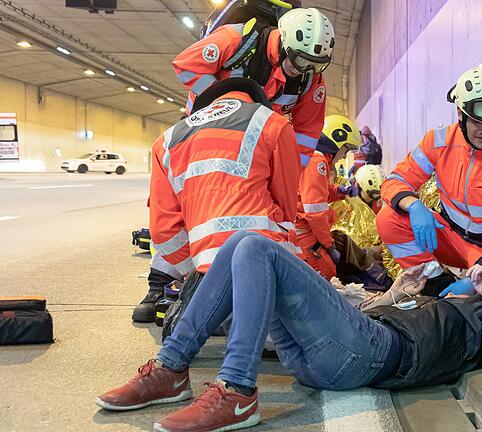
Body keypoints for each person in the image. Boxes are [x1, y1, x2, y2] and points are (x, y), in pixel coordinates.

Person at [95, 231, 482, 432]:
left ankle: (237, 391)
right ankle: (171, 368)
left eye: (474, 284)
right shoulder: (439, 308)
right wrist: (399, 292)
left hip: (371, 353)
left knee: (257, 247)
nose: (465, 283)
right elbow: (380, 315)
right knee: (240, 246)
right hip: (333, 354)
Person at [130, 77, 301, 323]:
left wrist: (197, 272)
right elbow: (287, 210)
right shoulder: (274, 124)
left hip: (204, 268)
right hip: (264, 268)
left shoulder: (166, 141)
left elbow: (163, 231)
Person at [376, 64, 482, 308]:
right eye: (477, 120)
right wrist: (413, 206)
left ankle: (469, 287)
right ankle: (434, 282)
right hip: (448, 236)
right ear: (460, 114)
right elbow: (395, 181)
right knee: (388, 219)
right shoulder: (438, 141)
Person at [174, 4, 334, 169]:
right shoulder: (234, 39)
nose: (305, 70)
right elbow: (186, 65)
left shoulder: (310, 78)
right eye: (301, 61)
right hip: (202, 132)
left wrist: (290, 171)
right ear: (284, 43)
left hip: (251, 147)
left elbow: (307, 131)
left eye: (316, 65)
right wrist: (225, 103)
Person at [292, 115, 362, 279]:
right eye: (346, 149)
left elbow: (315, 192)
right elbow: (315, 212)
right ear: (336, 142)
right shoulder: (317, 161)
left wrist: (340, 191)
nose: (344, 156)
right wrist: (329, 246)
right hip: (303, 235)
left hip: (301, 231)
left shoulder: (311, 157)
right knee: (327, 273)